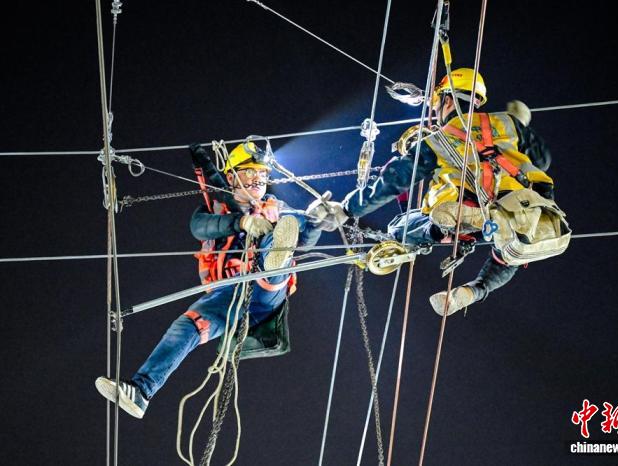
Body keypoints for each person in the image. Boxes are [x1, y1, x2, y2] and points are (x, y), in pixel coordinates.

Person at [309, 67, 567, 317]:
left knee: (398, 227)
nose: (435, 112)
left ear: (448, 100)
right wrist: (520, 125)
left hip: (464, 206)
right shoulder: (506, 123)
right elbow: (542, 158)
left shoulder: (436, 141)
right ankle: (474, 291)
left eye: (436, 105)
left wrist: (347, 209)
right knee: (511, 251)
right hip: (521, 205)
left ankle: (442, 231)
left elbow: (394, 179)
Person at [95, 141, 324, 419]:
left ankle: (274, 258)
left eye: (262, 174)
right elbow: (199, 227)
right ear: (232, 177)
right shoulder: (217, 210)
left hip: (265, 292)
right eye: (249, 172)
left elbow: (304, 236)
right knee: (187, 326)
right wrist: (241, 223)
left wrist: (317, 221)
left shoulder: (277, 208)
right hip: (228, 295)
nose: (257, 179)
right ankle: (141, 391)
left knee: (277, 244)